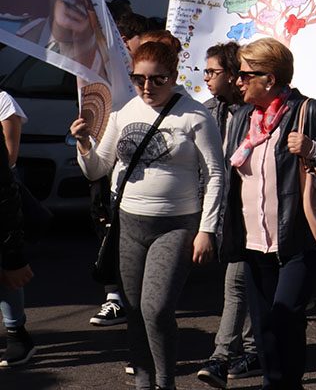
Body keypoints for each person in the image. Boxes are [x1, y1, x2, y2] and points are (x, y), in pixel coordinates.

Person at [71, 40, 224, 390]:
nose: (147, 87)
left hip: (176, 224)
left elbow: (216, 174)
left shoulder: (195, 115)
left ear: (174, 76)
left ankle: (166, 382)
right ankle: (143, 382)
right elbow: (96, 168)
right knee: (134, 309)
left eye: (158, 79)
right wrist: (83, 143)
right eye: (138, 79)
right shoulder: (124, 111)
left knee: (156, 308)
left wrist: (207, 229)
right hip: (129, 222)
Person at [220, 38, 316, 390]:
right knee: (264, 324)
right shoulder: (241, 119)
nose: (237, 81)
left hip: (297, 238)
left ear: (269, 79)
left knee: (285, 316)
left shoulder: (310, 113)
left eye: (245, 75)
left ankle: (289, 384)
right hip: (254, 241)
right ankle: (274, 383)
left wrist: (314, 148)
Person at [196, 42, 261, 389]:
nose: (206, 77)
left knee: (236, 283)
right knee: (245, 282)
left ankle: (221, 356)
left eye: (213, 71)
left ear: (234, 74)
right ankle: (253, 350)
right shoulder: (210, 111)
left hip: (251, 210)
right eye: (205, 71)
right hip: (226, 210)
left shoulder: (256, 113)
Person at [0, 90, 34, 367]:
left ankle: (16, 333)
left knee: (6, 270)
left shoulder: (2, 101)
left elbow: (9, 158)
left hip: (2, 193)